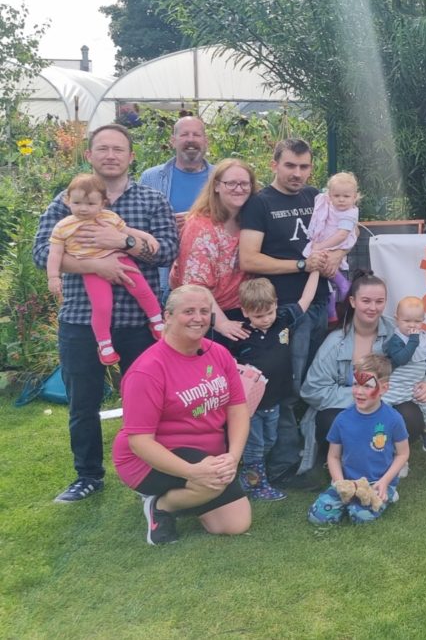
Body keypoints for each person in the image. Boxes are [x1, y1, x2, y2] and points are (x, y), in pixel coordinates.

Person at [33, 123, 179, 503]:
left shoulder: (150, 201)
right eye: (103, 149)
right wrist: (94, 268)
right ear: (90, 155)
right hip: (81, 319)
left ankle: (149, 472)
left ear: (131, 157)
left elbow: (166, 251)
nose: (111, 155)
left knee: (147, 401)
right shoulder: (65, 203)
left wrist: (124, 242)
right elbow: (40, 254)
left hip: (137, 322)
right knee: (83, 401)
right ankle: (88, 475)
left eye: (118, 149)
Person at [111, 285, 252, 545]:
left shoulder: (218, 353)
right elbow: (139, 441)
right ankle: (161, 505)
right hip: (149, 459)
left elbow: (237, 408)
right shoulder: (147, 370)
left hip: (207, 455)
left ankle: (189, 494)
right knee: (211, 480)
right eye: (188, 311)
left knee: (235, 524)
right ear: (168, 317)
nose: (198, 318)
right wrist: (192, 472)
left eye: (204, 311)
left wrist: (233, 457)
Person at [239, 138, 343, 487]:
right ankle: (284, 466)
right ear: (274, 165)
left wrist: (335, 260)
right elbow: (249, 259)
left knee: (315, 381)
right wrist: (302, 263)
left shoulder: (315, 197)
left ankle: (315, 456)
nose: (298, 173)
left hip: (318, 305)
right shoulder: (259, 204)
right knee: (289, 387)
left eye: (304, 167)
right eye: (290, 166)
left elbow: (344, 234)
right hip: (283, 312)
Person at [301, 273, 426, 478]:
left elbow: (416, 364)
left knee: (411, 414)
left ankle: (391, 459)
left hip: (387, 403)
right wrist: (362, 395)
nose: (373, 307)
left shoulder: (397, 331)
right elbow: (312, 391)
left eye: (379, 301)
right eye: (366, 301)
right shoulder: (335, 343)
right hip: (351, 407)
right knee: (330, 418)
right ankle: (347, 462)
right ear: (353, 301)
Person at [47, 174, 166, 364]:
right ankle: (105, 344)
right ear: (67, 200)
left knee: (143, 290)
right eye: (77, 203)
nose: (83, 208)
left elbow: (128, 231)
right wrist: (54, 277)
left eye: (90, 204)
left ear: (103, 203)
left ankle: (157, 322)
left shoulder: (109, 217)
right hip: (92, 269)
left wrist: (149, 238)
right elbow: (54, 253)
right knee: (102, 306)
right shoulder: (63, 226)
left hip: (121, 259)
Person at [230, 277, 318, 500]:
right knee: (255, 445)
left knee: (269, 440)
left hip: (276, 399)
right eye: (259, 316)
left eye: (269, 312)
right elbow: (225, 362)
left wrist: (314, 270)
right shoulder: (239, 335)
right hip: (250, 406)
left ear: (276, 304)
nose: (266, 319)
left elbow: (306, 299)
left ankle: (249, 475)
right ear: (245, 311)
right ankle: (255, 484)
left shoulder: (282, 319)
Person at [307, 353, 411, 525]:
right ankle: (345, 503)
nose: (359, 392)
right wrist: (340, 484)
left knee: (361, 517)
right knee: (318, 517)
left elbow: (402, 454)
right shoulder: (342, 419)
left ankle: (390, 493)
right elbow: (333, 456)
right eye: (355, 384)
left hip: (377, 482)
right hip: (348, 482)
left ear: (384, 388)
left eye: (368, 386)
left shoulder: (393, 419)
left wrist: (385, 482)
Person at [170, 158, 257, 341]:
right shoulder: (200, 226)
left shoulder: (251, 221)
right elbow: (195, 287)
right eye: (231, 183)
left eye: (244, 184)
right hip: (206, 314)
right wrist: (222, 323)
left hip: (243, 310)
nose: (238, 188)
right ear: (216, 186)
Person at [139, 115, 214, 297]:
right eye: (184, 135)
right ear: (173, 141)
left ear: (206, 141)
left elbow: (236, 221)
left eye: (196, 135)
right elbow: (138, 224)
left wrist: (197, 220)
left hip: (211, 274)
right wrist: (166, 224)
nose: (190, 140)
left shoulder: (220, 177)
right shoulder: (151, 178)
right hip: (165, 276)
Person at [386, 297, 426, 453]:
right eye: (407, 321)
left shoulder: (421, 338)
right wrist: (413, 340)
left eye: (417, 322)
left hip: (414, 385)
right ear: (397, 319)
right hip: (395, 386)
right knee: (381, 408)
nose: (412, 325)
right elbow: (401, 359)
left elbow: (423, 361)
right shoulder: (396, 339)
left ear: (423, 321)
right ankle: (380, 440)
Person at [302, 171, 361, 321]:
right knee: (320, 268)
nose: (341, 200)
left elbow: (342, 235)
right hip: (327, 240)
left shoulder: (350, 213)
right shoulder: (326, 203)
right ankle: (332, 300)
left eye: (346, 196)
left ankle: (342, 284)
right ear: (330, 195)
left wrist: (322, 245)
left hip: (335, 243)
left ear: (355, 197)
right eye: (337, 196)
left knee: (321, 261)